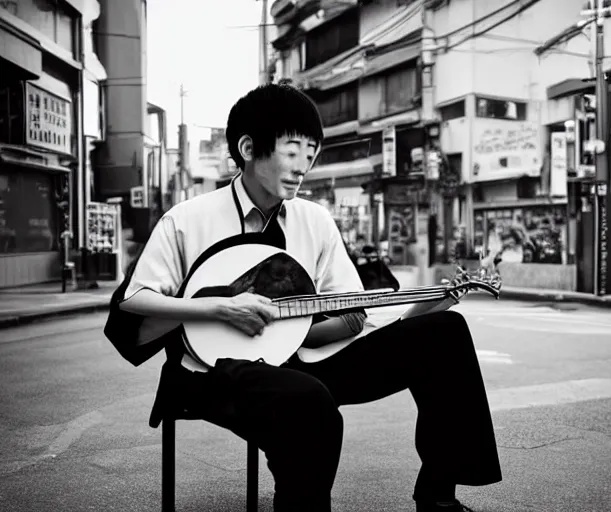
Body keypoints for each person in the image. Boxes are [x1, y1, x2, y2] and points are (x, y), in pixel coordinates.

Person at [112, 83, 502, 512]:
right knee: (305, 402)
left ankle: (438, 498)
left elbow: (343, 317)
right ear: (247, 147)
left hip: (300, 361)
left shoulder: (314, 220)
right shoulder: (189, 219)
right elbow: (135, 300)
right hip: (212, 371)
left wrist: (409, 314)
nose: (304, 166)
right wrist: (219, 307)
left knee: (444, 332)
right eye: (292, 150)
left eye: (311, 153)